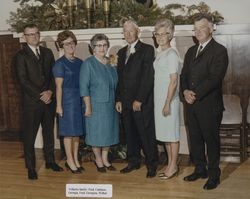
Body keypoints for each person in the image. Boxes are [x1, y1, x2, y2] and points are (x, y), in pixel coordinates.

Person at [180, 14, 228, 190]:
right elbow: (183, 75)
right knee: (195, 139)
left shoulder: (219, 50)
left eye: (201, 28)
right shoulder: (191, 51)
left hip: (209, 105)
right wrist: (185, 91)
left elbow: (215, 78)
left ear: (211, 29)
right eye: (195, 28)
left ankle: (214, 174)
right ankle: (200, 169)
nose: (197, 31)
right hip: (191, 104)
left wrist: (195, 94)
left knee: (211, 141)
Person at [12, 24, 63, 180]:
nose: (33, 36)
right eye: (29, 34)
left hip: (49, 101)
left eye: (35, 34)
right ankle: (31, 167)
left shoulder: (48, 53)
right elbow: (22, 81)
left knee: (49, 134)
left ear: (39, 35)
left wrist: (50, 92)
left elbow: (53, 76)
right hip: (32, 103)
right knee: (29, 136)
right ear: (24, 37)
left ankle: (50, 161)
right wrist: (41, 95)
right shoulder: (20, 56)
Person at [115, 19, 158, 178]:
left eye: (131, 31)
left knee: (146, 134)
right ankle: (133, 161)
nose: (128, 34)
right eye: (125, 32)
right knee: (130, 133)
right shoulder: (120, 52)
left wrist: (139, 99)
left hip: (141, 103)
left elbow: (148, 77)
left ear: (137, 32)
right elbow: (119, 78)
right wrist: (118, 99)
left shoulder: (147, 50)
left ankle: (152, 164)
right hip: (125, 102)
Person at [80, 34, 119, 173]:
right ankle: (98, 160)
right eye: (99, 45)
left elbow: (116, 84)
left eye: (104, 45)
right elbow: (84, 87)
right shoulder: (88, 64)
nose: (102, 48)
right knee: (96, 134)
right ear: (93, 48)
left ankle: (105, 159)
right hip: (95, 105)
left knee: (108, 133)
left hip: (110, 105)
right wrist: (88, 106)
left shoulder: (110, 63)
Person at [53, 30, 85, 174]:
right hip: (66, 101)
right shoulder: (59, 64)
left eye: (72, 42)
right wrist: (59, 106)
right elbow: (58, 87)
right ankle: (69, 160)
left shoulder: (80, 62)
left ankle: (76, 159)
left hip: (78, 100)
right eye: (67, 44)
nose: (70, 46)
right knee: (68, 133)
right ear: (61, 46)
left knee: (77, 132)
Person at [153, 19, 181, 180]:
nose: (160, 37)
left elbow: (174, 81)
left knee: (172, 134)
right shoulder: (161, 53)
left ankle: (173, 166)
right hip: (160, 100)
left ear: (170, 35)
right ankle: (171, 164)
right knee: (166, 135)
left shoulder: (171, 54)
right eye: (158, 34)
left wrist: (167, 103)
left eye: (164, 34)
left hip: (168, 101)